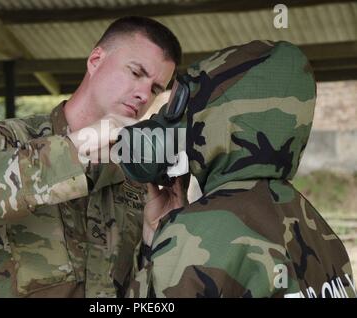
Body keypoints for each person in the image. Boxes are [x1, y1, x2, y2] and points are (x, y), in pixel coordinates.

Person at [0, 16, 181, 298]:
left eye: (156, 88)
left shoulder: (134, 173)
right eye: (136, 72)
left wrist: (154, 240)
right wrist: (73, 150)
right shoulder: (8, 140)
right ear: (95, 60)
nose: (144, 94)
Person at [126, 40, 356, 298]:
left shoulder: (198, 232)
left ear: (216, 120)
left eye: (187, 109)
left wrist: (161, 245)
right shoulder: (319, 230)